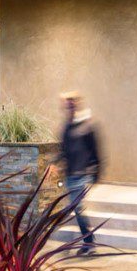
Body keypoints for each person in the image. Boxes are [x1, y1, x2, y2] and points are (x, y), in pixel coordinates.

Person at [59, 91, 102, 254]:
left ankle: (89, 243)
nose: (69, 106)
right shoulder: (66, 127)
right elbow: (63, 150)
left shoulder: (86, 126)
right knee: (75, 207)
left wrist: (97, 171)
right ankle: (87, 242)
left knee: (77, 207)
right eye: (66, 103)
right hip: (70, 174)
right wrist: (55, 165)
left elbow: (96, 150)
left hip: (81, 173)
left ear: (76, 104)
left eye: (71, 103)